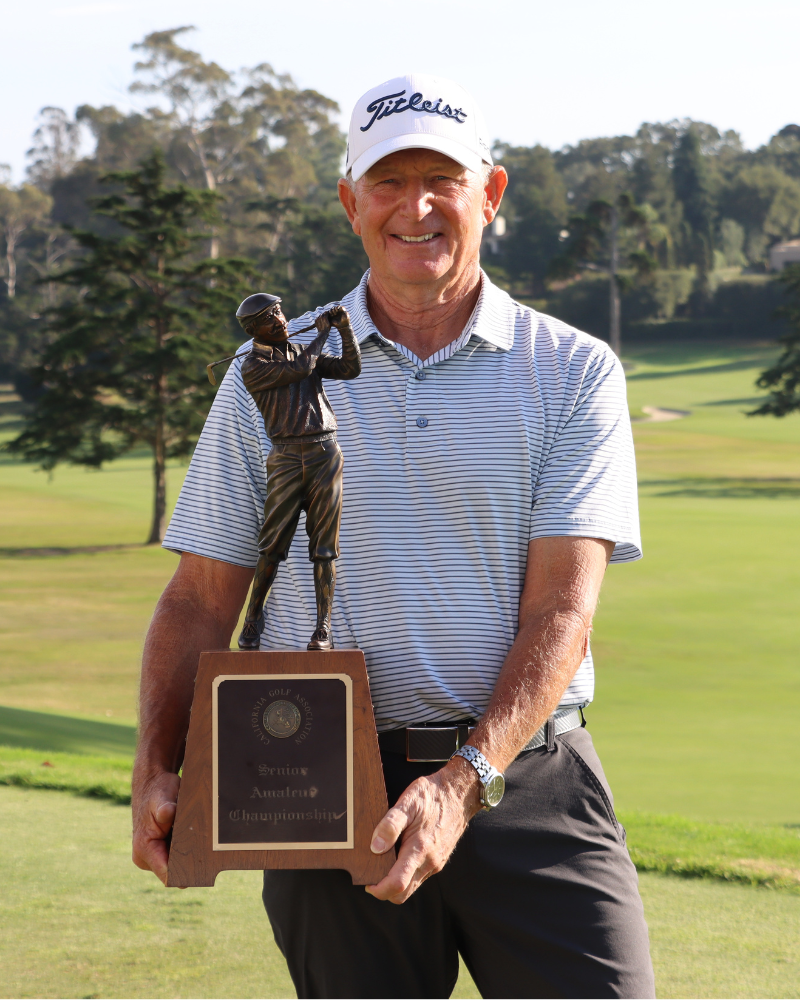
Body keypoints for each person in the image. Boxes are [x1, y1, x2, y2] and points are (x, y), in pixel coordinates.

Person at [133, 73, 655, 999]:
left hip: (526, 781)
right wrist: (156, 768)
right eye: (387, 181)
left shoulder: (573, 371)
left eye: (442, 180)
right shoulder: (266, 371)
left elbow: (563, 610)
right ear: (349, 202)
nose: (415, 207)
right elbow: (200, 598)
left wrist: (463, 783)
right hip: (317, 784)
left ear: (488, 195)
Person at [232, 294, 361, 652]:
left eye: (277, 311)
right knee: (272, 545)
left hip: (325, 453)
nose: (278, 319)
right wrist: (323, 334)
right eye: (267, 317)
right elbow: (301, 370)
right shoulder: (253, 365)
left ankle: (323, 627)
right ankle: (253, 620)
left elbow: (351, 369)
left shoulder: (302, 349)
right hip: (286, 457)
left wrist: (345, 331)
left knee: (325, 549)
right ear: (252, 330)